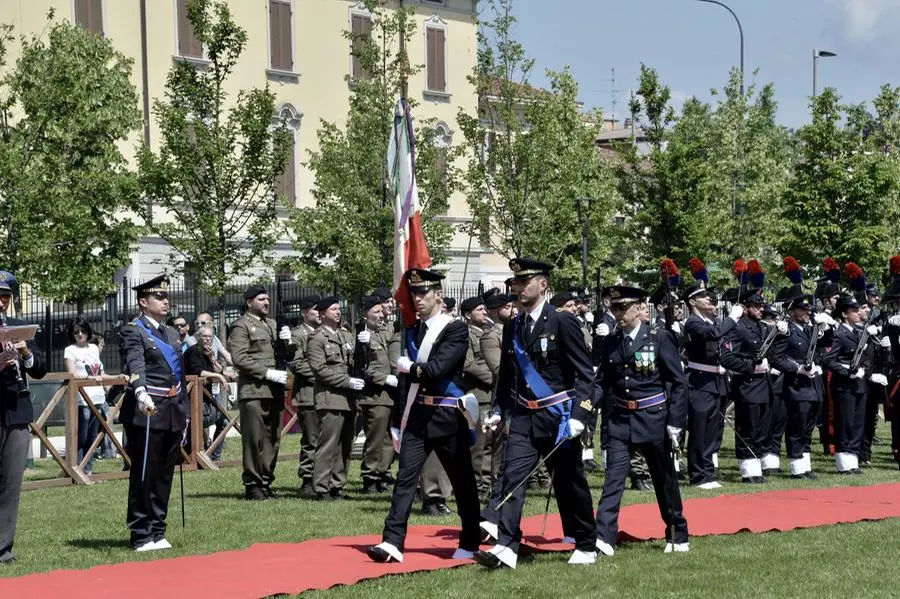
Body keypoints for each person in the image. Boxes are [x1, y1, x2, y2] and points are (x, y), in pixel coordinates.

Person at [475, 258, 597, 569]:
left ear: (542, 285)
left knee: (570, 482)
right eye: (514, 283)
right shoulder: (514, 326)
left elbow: (585, 375)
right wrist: (499, 411)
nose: (516, 288)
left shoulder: (562, 322)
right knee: (512, 480)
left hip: (559, 418)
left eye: (523, 282)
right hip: (524, 418)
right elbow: (508, 376)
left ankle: (585, 542)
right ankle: (507, 546)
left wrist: (580, 416)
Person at [368, 268, 480, 564]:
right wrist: (396, 422)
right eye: (414, 293)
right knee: (405, 479)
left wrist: (409, 367)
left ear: (438, 295)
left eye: (423, 293)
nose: (417, 299)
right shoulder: (410, 330)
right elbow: (407, 385)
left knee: (462, 482)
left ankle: (470, 539)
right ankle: (392, 541)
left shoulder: (454, 329)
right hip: (417, 416)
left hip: (447, 415)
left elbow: (436, 369)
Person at [592, 284, 689, 557]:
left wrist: (675, 422)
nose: (618, 313)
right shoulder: (611, 341)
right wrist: (585, 408)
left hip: (654, 419)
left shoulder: (658, 337)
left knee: (663, 479)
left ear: (639, 308)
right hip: (622, 420)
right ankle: (604, 537)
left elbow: (677, 383)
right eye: (614, 308)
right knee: (613, 479)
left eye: (622, 308)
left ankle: (677, 531)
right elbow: (603, 383)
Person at [118, 274, 187, 551]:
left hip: (172, 409)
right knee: (144, 473)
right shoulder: (133, 330)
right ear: (143, 302)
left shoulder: (171, 332)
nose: (165, 300)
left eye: (166, 296)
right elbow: (136, 362)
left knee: (164, 474)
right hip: (147, 409)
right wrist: (141, 391)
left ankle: (158, 529)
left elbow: (178, 372)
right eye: (159, 297)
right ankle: (141, 533)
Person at [0, 270, 47, 564]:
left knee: (11, 484)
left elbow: (40, 368)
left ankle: (3, 548)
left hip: (16, 412)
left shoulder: (18, 327)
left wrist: (26, 353)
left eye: (5, 297)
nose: (1, 303)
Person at [228, 285, 288, 500]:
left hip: (274, 391)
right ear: (249, 302)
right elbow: (239, 358)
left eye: (267, 299)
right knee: (254, 439)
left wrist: (287, 343)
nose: (266, 302)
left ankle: (265, 481)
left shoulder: (272, 325)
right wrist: (266, 373)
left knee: (273, 438)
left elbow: (284, 355)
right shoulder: (241, 326)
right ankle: (253, 484)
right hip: (254, 390)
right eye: (262, 299)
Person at [720, 282, 784, 483]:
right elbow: (727, 357)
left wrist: (783, 335)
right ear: (745, 307)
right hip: (747, 385)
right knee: (748, 428)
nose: (761, 309)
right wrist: (751, 366)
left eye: (761, 305)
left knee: (762, 429)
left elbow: (773, 354)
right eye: (756, 305)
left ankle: (757, 465)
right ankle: (748, 469)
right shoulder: (738, 328)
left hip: (764, 386)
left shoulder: (762, 327)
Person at [770, 285, 831, 479]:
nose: (807, 312)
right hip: (796, 384)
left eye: (808, 309)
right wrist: (797, 368)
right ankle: (797, 466)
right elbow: (777, 357)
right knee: (797, 425)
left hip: (812, 385)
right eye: (802, 309)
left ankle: (805, 464)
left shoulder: (809, 329)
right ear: (791, 310)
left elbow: (827, 342)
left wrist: (826, 327)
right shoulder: (786, 330)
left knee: (809, 425)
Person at [308, 296, 362, 501]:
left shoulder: (345, 336)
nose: (338, 312)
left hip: (348, 399)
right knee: (328, 444)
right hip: (330, 397)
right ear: (322, 314)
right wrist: (346, 382)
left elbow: (353, 363)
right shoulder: (317, 338)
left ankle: (337, 485)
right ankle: (321, 487)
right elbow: (320, 370)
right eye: (333, 309)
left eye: (339, 309)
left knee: (345, 445)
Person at [822, 294, 881, 474]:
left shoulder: (858, 333)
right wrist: (848, 370)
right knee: (845, 422)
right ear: (845, 314)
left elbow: (865, 358)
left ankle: (853, 459)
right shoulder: (839, 334)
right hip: (844, 386)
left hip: (859, 385)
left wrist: (864, 369)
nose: (858, 313)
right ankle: (843, 461)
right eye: (854, 311)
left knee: (857, 423)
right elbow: (828, 360)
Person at [63, 317, 122, 474]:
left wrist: (116, 378)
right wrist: (89, 378)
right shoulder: (70, 350)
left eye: (83, 331)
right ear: (72, 334)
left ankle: (88, 469)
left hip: (97, 397)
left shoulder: (94, 349)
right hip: (82, 398)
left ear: (88, 331)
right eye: (76, 332)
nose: (80, 334)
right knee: (81, 436)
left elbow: (100, 373)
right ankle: (78, 468)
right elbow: (71, 374)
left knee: (92, 437)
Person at [356, 295, 398, 494]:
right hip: (374, 396)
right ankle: (370, 476)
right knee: (375, 439)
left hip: (389, 395)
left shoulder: (382, 334)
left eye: (381, 312)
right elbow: (362, 368)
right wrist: (384, 378)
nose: (381, 316)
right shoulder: (361, 336)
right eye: (376, 312)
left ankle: (382, 472)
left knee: (389, 439)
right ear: (365, 315)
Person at [460, 296, 494, 499]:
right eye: (479, 309)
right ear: (467, 314)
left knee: (490, 442)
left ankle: (486, 484)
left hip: (491, 394)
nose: (484, 312)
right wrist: (493, 377)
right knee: (478, 445)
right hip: (478, 394)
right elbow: (468, 364)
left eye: (485, 309)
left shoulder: (489, 333)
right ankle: (476, 485)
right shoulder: (466, 335)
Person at [183, 325, 233, 461]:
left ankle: (213, 456)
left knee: (224, 422)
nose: (207, 339)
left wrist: (212, 359)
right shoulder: (193, 351)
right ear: (199, 337)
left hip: (208, 399)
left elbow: (218, 370)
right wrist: (219, 377)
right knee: (195, 429)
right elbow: (198, 372)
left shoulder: (208, 353)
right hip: (194, 401)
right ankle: (196, 457)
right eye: (204, 336)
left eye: (210, 336)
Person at [288, 295, 321, 496]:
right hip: (308, 393)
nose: (319, 313)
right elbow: (297, 364)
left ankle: (322, 476)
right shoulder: (298, 334)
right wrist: (323, 374)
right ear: (304, 312)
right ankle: (307, 478)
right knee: (311, 438)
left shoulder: (325, 333)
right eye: (314, 310)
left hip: (326, 394)